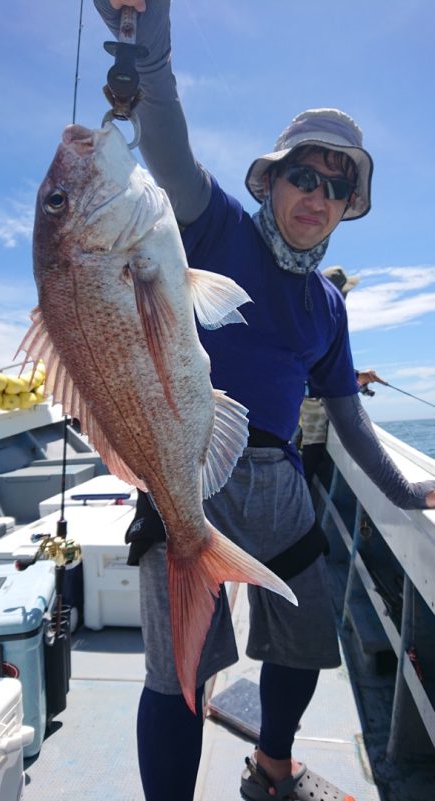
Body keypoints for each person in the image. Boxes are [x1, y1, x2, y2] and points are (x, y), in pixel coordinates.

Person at [95, 3, 435, 800]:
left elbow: (348, 416)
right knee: (177, 673)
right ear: (271, 179)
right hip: (186, 468)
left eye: (337, 186)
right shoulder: (214, 228)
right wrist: (151, 38)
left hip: (280, 483)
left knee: (305, 639)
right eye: (304, 175)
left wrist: (406, 490)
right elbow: (167, 143)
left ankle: (273, 765)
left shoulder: (328, 305)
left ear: (347, 206)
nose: (319, 195)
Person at [299, 266, 387, 487]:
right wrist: (355, 380)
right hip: (306, 396)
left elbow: (329, 370)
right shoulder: (321, 321)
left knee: (311, 444)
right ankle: (301, 497)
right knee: (314, 442)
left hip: (302, 395)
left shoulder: (316, 316)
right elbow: (323, 376)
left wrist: (358, 376)